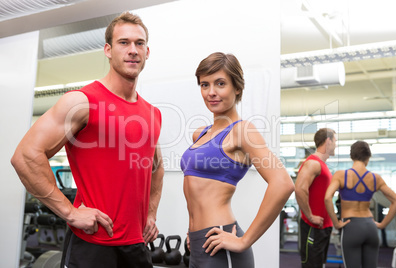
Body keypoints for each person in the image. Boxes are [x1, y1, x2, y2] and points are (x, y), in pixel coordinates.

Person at [11, 12, 164, 268]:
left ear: (147, 52)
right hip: (92, 245)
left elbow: (155, 167)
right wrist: (70, 212)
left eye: (139, 43)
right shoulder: (82, 101)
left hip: (136, 246)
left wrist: (150, 213)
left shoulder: (152, 113)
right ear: (108, 50)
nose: (133, 50)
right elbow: (25, 156)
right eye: (123, 42)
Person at [180, 52, 294, 267]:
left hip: (222, 243)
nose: (211, 92)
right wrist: (192, 232)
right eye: (205, 85)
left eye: (220, 83)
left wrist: (244, 241)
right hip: (198, 242)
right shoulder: (200, 134)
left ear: (237, 87)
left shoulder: (242, 131)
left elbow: (283, 184)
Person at [324, 141, 396, 268]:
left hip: (351, 226)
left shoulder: (341, 175)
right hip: (370, 226)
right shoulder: (375, 178)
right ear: (368, 157)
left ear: (351, 156)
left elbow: (327, 198)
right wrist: (382, 224)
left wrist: (336, 223)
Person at [295, 128, 337, 268]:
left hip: (323, 227)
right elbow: (300, 189)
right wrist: (310, 216)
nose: (336, 144)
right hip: (312, 226)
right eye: (335, 141)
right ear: (328, 141)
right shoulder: (313, 163)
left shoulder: (323, 166)